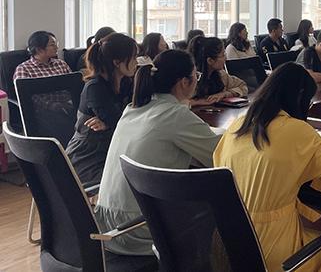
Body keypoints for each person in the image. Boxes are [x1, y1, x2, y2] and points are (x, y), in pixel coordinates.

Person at [213, 63, 321, 272]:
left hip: (227, 247)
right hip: (274, 252)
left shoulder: (238, 125)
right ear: (300, 97)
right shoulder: (299, 131)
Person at [95, 49, 221, 256]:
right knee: (222, 206)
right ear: (184, 82)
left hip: (107, 224)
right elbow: (221, 155)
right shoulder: (175, 114)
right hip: (139, 227)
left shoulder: (134, 108)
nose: (197, 81)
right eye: (196, 76)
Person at [65, 33, 138, 185]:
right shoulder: (95, 88)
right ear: (117, 62)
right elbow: (122, 123)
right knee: (129, 182)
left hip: (112, 147)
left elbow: (135, 114)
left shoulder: (126, 82)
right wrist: (113, 122)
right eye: (133, 58)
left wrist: (108, 123)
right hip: (88, 156)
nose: (136, 62)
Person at [188, 36, 247, 107]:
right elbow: (177, 103)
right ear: (210, 60)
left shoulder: (221, 74)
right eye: (223, 55)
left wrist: (224, 94)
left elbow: (243, 86)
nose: (226, 58)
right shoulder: (190, 79)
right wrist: (198, 102)